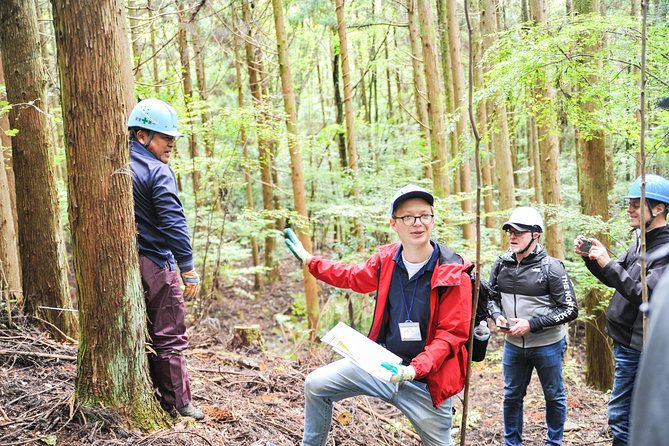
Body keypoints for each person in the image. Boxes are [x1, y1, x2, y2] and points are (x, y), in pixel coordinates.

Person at [284, 184, 473, 446]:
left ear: (432, 219)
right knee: (316, 385)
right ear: (394, 224)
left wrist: (413, 370)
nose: (417, 223)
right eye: (407, 217)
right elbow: (351, 276)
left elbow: (451, 335)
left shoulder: (453, 273)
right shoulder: (386, 261)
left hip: (427, 383)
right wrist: (310, 261)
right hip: (382, 365)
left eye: (424, 215)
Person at [574, 173, 669, 446]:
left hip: (640, 346)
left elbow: (643, 296)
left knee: (621, 416)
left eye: (636, 204)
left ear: (659, 208)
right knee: (624, 414)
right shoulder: (642, 242)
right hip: (626, 342)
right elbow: (619, 281)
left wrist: (608, 263)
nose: (629, 209)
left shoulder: (665, 250)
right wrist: (594, 260)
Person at [127, 98, 204, 420]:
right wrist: (188, 270)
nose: (171, 144)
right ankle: (178, 403)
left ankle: (159, 393)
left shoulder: (122, 164)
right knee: (170, 333)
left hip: (134, 262)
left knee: (148, 331)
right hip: (158, 263)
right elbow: (173, 223)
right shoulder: (158, 172)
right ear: (142, 136)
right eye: (165, 138)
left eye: (172, 139)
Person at [487, 206, 578, 446]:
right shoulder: (501, 264)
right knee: (512, 397)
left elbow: (570, 309)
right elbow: (490, 297)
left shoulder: (552, 267)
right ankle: (512, 443)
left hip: (547, 344)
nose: (512, 237)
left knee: (554, 397)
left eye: (519, 232)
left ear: (535, 235)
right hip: (513, 346)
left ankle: (554, 442)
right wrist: (497, 316)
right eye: (509, 232)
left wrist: (532, 324)